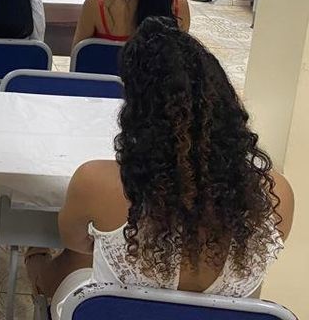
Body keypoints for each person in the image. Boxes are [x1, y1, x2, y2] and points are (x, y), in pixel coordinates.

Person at [25, 17, 295, 319]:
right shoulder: (277, 195)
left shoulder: (96, 182)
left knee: (71, 269)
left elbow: (76, 243)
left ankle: (36, 268)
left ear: (135, 110)